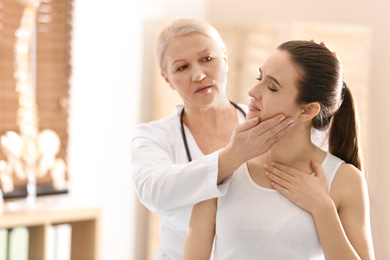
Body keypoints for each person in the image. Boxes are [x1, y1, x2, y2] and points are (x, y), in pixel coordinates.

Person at [183, 40, 375, 259]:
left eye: (272, 87)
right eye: (259, 78)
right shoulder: (221, 167)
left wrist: (322, 209)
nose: (253, 91)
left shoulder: (344, 180)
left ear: (308, 110)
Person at [131, 18, 294, 259]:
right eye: (181, 67)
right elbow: (155, 193)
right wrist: (232, 156)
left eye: (207, 59)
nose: (198, 75)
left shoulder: (265, 123)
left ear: (225, 59)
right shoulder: (154, 135)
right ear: (167, 79)